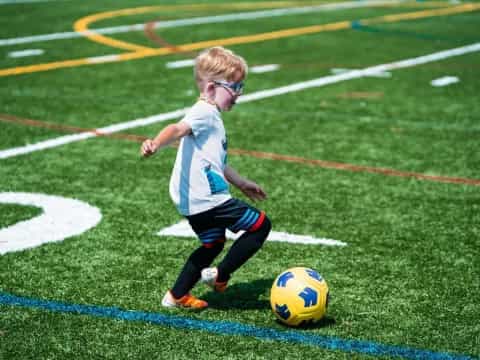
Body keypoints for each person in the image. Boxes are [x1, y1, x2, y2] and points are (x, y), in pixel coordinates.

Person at [141, 46, 271, 309]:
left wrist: (242, 183)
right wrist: (155, 143)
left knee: (212, 244)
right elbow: (177, 128)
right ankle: (220, 276)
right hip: (208, 199)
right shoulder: (204, 112)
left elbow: (219, 163)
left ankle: (177, 295)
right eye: (234, 87)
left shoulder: (212, 116)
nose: (239, 93)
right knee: (260, 226)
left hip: (193, 202)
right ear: (211, 88)